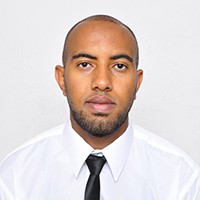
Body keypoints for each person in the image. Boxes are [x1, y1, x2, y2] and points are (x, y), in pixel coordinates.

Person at [0, 14, 200, 200]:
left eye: (119, 66)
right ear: (62, 79)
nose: (102, 82)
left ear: (137, 83)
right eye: (85, 64)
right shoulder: (16, 174)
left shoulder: (179, 177)